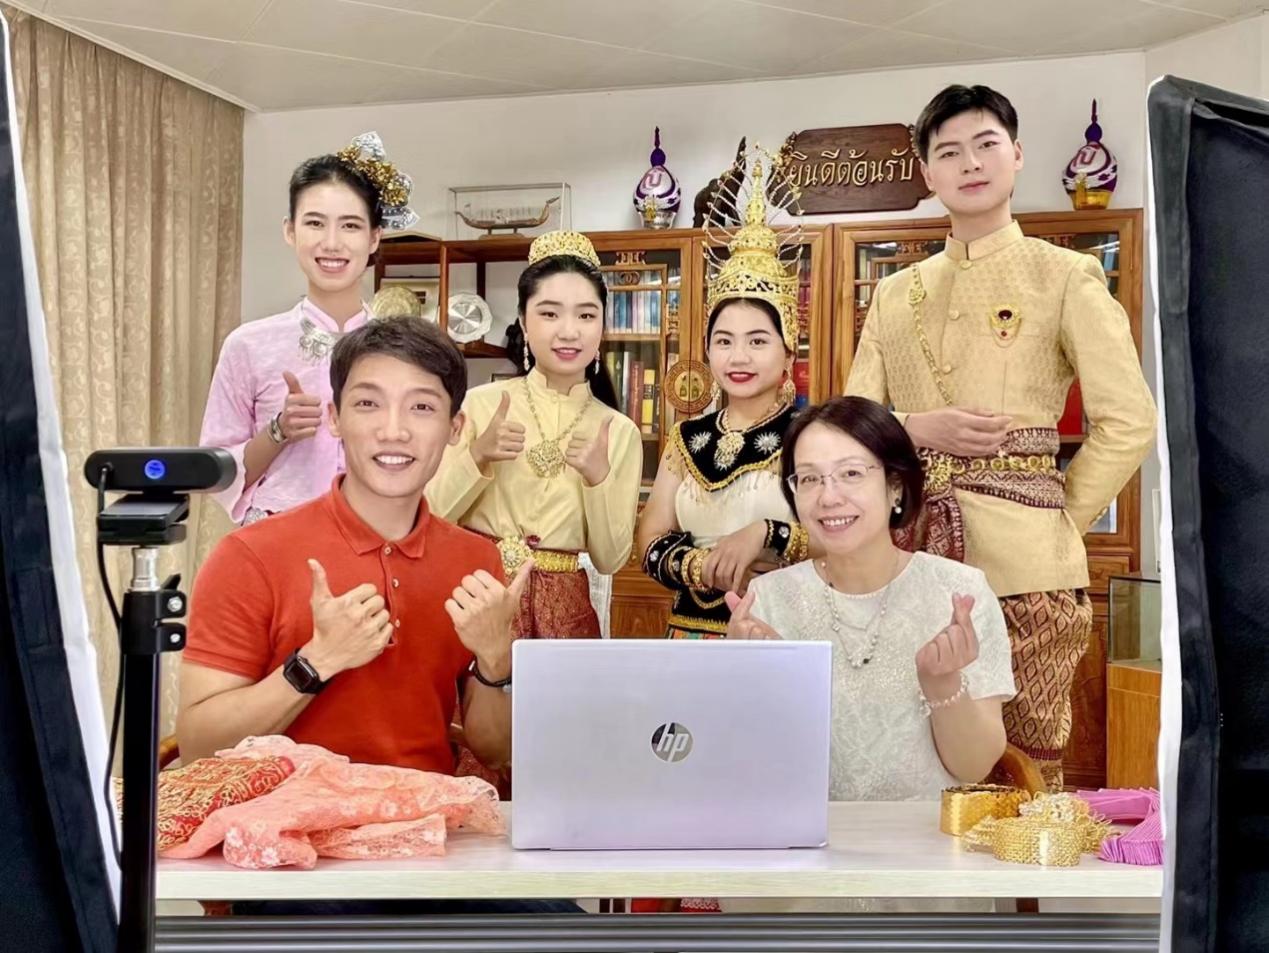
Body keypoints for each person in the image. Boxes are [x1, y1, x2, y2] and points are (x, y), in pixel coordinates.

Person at [179, 316, 579, 916]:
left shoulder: (476, 559)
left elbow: (495, 750)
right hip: (297, 859)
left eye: (422, 407)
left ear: (455, 429)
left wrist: (496, 658)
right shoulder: (251, 555)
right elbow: (197, 744)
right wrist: (315, 663)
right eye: (368, 403)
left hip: (429, 844)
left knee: (570, 933)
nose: (394, 430)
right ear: (335, 419)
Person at [846, 84, 1157, 788]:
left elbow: (1129, 419)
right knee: (910, 764)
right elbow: (851, 425)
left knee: (1021, 770)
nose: (970, 163)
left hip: (1027, 572)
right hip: (903, 560)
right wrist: (914, 427)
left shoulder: (1065, 275)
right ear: (927, 174)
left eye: (986, 144)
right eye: (949, 151)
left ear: (1015, 155)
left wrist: (1060, 516)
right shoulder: (893, 293)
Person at [727, 395, 1016, 800]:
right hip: (807, 829)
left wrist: (943, 682)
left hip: (923, 833)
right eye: (809, 479)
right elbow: (748, 769)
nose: (828, 497)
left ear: (895, 486)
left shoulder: (958, 593)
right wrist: (754, 679)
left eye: (851, 473)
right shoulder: (767, 601)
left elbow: (974, 767)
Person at [426, 230, 643, 639]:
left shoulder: (619, 431)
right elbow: (430, 514)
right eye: (549, 314)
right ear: (524, 322)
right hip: (478, 593)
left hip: (565, 611)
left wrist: (598, 478)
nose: (569, 331)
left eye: (586, 315)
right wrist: (477, 456)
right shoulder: (480, 405)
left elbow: (611, 560)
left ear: (602, 326)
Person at [637, 146, 810, 639]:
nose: (738, 357)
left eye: (757, 341)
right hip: (689, 633)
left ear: (787, 352)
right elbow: (649, 539)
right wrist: (705, 566)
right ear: (708, 350)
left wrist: (768, 534)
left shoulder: (810, 435)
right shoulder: (687, 438)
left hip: (779, 634)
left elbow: (841, 535)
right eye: (724, 341)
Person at [200, 132, 416, 524]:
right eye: (315, 223)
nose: (331, 243)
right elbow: (214, 472)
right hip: (276, 536)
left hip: (380, 535)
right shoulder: (249, 345)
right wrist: (278, 431)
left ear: (374, 238)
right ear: (290, 230)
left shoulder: (406, 350)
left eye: (350, 226)